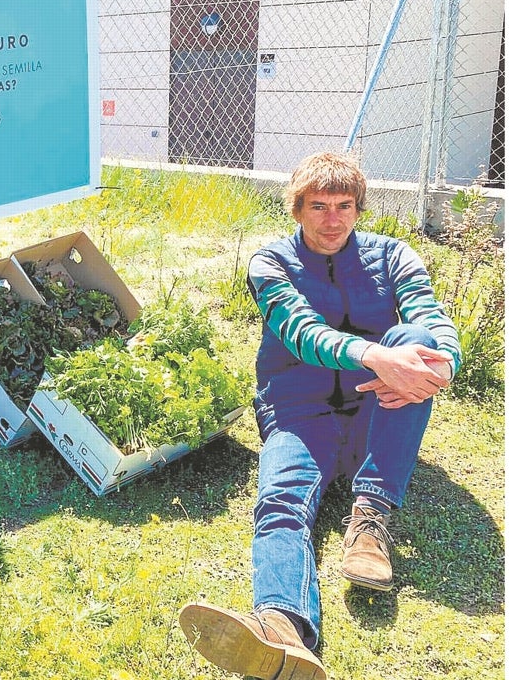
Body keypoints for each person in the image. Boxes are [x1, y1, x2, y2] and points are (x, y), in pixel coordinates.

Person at [177, 151, 461, 680]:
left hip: (377, 408)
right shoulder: (271, 262)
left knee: (418, 342)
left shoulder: (395, 256)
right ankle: (282, 628)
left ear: (359, 208)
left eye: (344, 206)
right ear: (297, 209)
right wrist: (376, 355)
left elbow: (432, 319)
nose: (333, 220)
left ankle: (371, 521)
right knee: (281, 502)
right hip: (297, 410)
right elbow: (301, 332)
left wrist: (441, 367)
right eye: (319, 206)